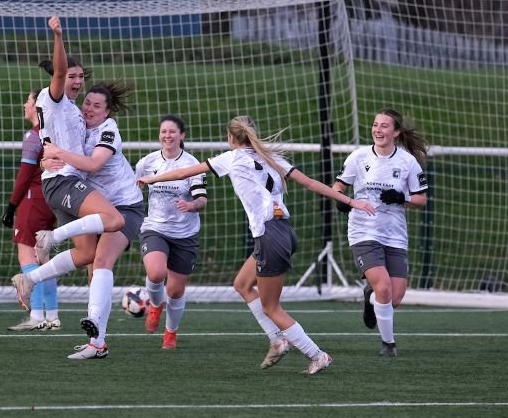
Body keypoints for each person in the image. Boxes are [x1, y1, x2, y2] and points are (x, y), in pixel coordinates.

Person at [137, 115, 376, 375]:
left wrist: (151, 180)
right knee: (242, 284)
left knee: (271, 306)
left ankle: (316, 355)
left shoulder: (232, 157)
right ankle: (277, 340)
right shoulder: (271, 156)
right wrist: (352, 202)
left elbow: (184, 172)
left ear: (230, 138)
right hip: (284, 229)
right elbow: (310, 183)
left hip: (269, 234)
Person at [10, 16, 125, 356]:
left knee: (89, 253)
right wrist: (58, 35)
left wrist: (51, 153)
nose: (76, 80)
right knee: (115, 220)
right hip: (62, 184)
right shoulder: (54, 97)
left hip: (64, 183)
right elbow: (58, 73)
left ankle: (30, 278)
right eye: (72, 76)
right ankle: (51, 239)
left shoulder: (74, 110)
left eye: (80, 76)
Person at [40, 80, 143, 359]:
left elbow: (94, 164)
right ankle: (97, 343)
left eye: (97, 106)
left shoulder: (108, 130)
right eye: (87, 102)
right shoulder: (77, 126)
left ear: (107, 112)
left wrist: (57, 153)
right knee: (91, 267)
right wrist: (46, 160)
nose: (89, 109)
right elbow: (57, 154)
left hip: (124, 207)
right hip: (98, 206)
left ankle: (52, 240)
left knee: (101, 261)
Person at [332, 108, 428, 357]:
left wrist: (402, 197)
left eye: (385, 126)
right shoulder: (359, 157)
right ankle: (389, 345)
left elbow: (421, 199)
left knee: (393, 299)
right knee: (384, 288)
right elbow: (338, 186)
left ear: (396, 132)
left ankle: (369, 297)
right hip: (364, 231)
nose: (378, 130)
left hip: (395, 234)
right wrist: (341, 199)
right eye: (375, 125)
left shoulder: (407, 162)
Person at [134, 115, 207, 350]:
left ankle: (170, 333)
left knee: (175, 291)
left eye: (172, 132)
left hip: (185, 233)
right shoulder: (147, 162)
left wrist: (192, 205)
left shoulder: (192, 164)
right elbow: (132, 194)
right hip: (155, 228)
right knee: (155, 273)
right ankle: (155, 306)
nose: (167, 136)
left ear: (182, 135)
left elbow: (202, 199)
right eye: (163, 131)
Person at [2, 89, 61, 332]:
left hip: (33, 200)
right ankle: (53, 316)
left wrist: (12, 205)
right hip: (52, 198)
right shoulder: (55, 134)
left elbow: (25, 175)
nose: (24, 105)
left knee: (27, 258)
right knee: (44, 259)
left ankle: (36, 316)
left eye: (27, 100)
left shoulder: (33, 136)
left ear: (37, 106)